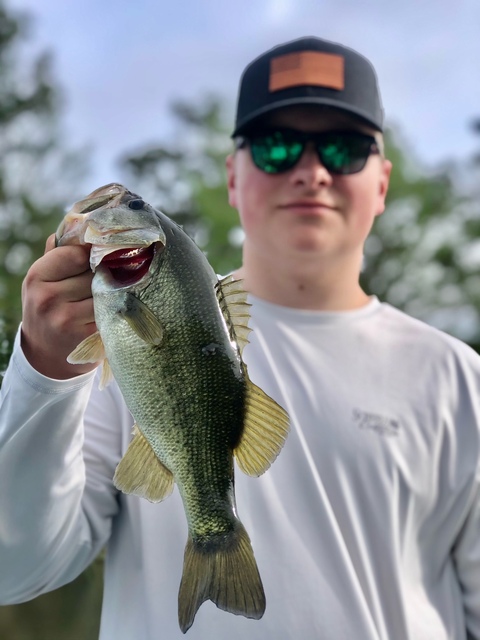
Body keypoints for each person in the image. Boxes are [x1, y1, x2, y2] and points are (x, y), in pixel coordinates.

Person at [1, 35, 480, 640]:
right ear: (233, 176)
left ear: (382, 182)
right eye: (277, 146)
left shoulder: (462, 379)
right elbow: (11, 569)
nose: (312, 171)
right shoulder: (105, 357)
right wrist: (44, 367)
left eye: (345, 147)